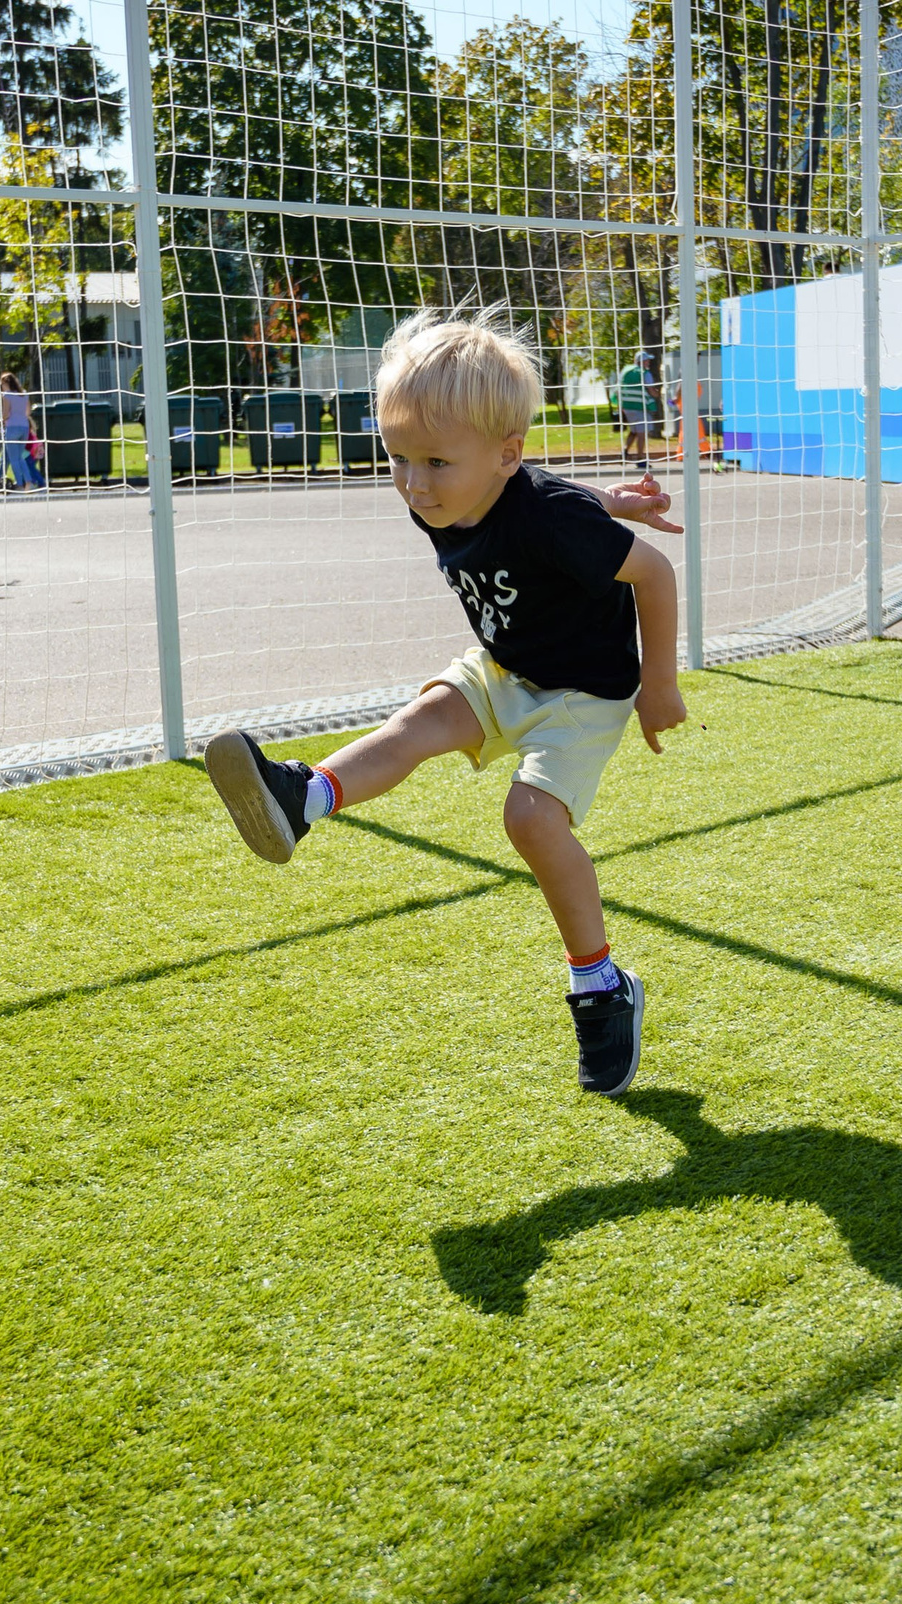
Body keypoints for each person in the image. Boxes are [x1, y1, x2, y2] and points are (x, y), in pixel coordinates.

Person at [201, 307, 688, 1096]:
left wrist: (659, 686)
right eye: (397, 459)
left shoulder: (547, 514)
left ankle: (599, 987)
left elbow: (652, 572)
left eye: (432, 462)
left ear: (503, 453)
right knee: (419, 722)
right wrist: (610, 501)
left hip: (583, 690)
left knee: (529, 819)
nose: (414, 484)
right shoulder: (450, 489)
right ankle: (301, 797)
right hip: (508, 665)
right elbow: (541, 491)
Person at [0, 372, 43, 489]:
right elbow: (28, 412)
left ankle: (20, 485)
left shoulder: (7, 395)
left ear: (6, 383)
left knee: (14, 459)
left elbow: (5, 413)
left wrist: (2, 419)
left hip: (12, 428)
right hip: (24, 427)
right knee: (20, 457)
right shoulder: (24, 394)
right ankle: (29, 482)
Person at [616, 351, 656, 470]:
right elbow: (650, 389)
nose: (648, 362)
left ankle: (625, 452)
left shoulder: (626, 371)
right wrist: (656, 396)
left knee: (634, 431)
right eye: (647, 360)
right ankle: (640, 459)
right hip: (640, 406)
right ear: (641, 361)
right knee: (642, 433)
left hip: (627, 406)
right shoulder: (645, 373)